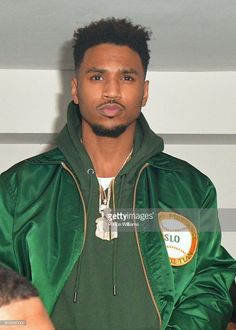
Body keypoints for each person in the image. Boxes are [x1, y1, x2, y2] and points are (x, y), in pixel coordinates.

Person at [0, 17, 235, 330]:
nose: (111, 91)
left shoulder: (192, 188)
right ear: (75, 89)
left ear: (145, 91)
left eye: (127, 78)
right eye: (97, 77)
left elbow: (209, 283)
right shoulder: (19, 188)